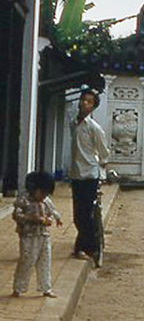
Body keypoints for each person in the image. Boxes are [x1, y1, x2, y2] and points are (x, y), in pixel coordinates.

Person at [69, 86, 110, 268]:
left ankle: (87, 248)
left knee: (86, 215)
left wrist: (101, 168)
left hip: (89, 175)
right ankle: (86, 247)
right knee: (78, 215)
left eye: (89, 102)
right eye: (83, 100)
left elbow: (104, 153)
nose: (84, 103)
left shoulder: (94, 128)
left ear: (93, 106)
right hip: (76, 174)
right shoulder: (73, 123)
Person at [12, 171, 63, 298]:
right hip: (28, 236)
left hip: (44, 234)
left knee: (45, 261)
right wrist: (32, 218)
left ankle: (46, 287)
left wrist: (56, 218)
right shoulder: (23, 201)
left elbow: (52, 210)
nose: (43, 196)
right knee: (27, 261)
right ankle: (18, 288)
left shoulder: (46, 201)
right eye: (42, 193)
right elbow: (17, 215)